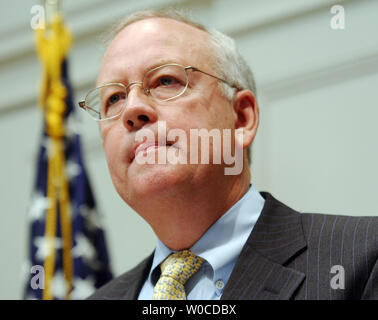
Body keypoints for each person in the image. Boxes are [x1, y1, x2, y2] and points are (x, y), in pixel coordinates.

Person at [80, 9, 378, 300]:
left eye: (165, 81)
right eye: (114, 99)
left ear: (241, 118)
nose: (131, 110)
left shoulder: (362, 258)